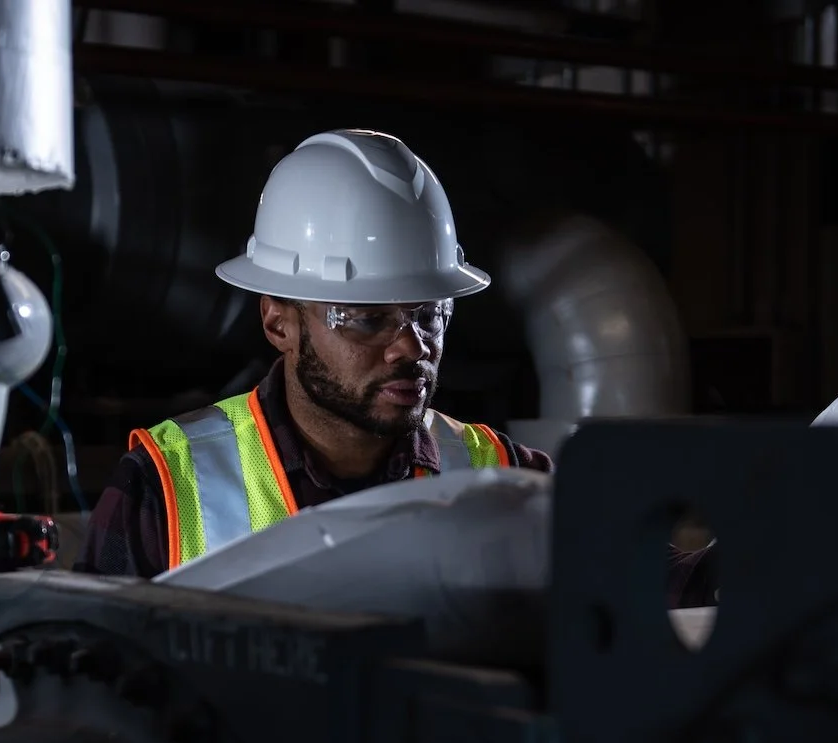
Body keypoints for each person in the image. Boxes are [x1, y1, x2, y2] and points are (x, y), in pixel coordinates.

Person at [74, 129, 553, 578]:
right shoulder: (162, 491)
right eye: (366, 318)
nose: (411, 346)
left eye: (429, 313)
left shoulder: (510, 480)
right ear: (278, 323)